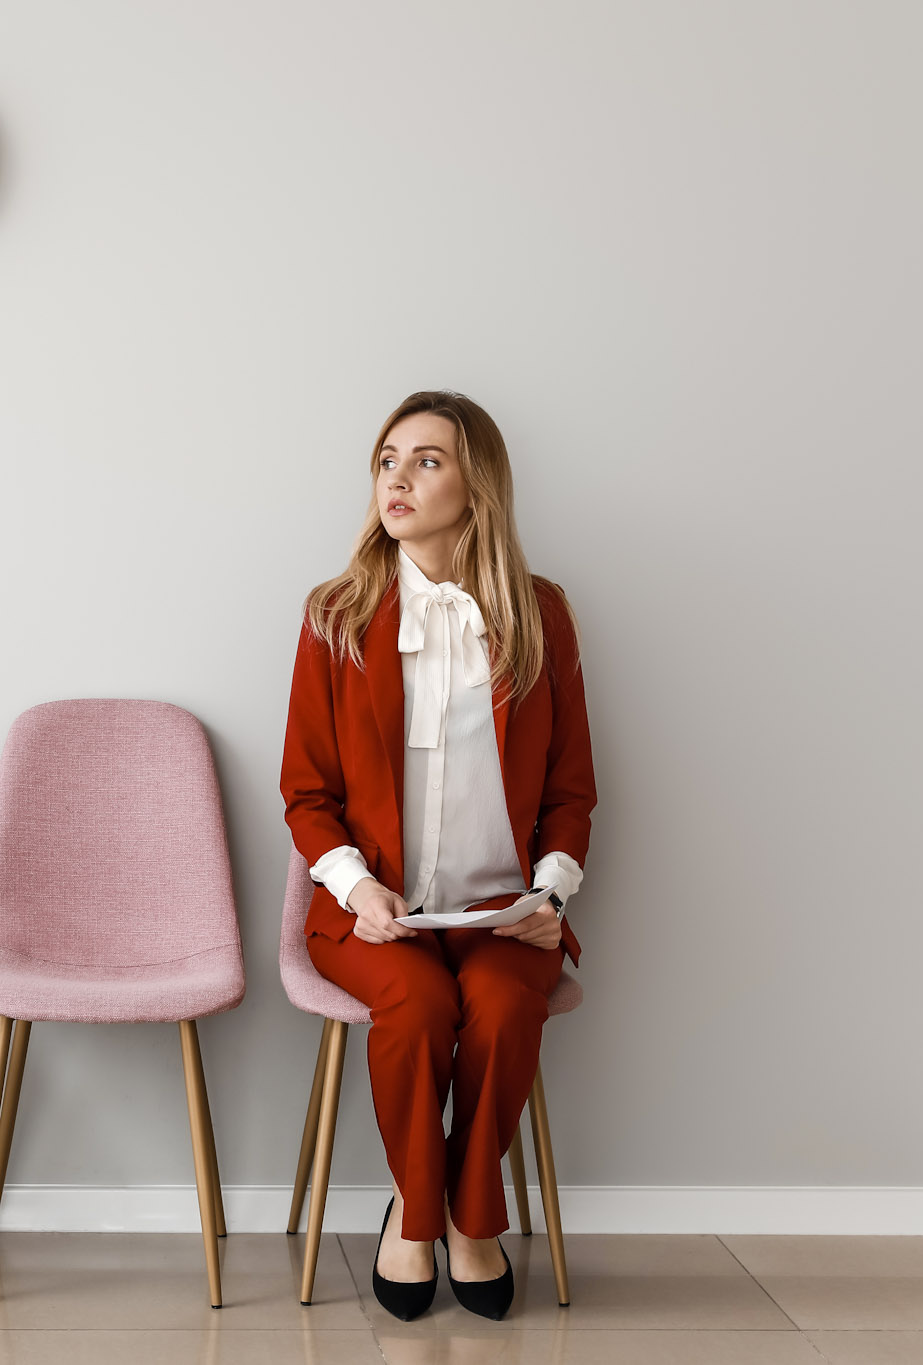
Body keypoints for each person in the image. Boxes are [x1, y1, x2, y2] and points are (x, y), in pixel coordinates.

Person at [281, 390, 596, 1321]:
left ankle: (461, 1215)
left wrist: (551, 892)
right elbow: (306, 791)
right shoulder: (336, 616)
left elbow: (572, 788)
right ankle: (431, 1220)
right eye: (387, 459)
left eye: (427, 460)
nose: (399, 478)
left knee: (500, 1006)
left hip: (505, 911)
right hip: (375, 911)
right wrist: (355, 885)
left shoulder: (543, 616)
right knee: (415, 1010)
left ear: (478, 484)